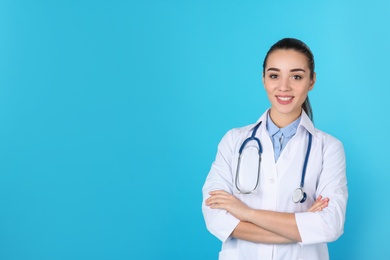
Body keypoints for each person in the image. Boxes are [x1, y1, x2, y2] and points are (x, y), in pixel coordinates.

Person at [202, 38, 348, 260]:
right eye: (274, 75)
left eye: (296, 76)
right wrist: (300, 228)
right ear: (263, 79)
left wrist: (246, 213)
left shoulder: (328, 148)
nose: (284, 87)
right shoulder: (233, 141)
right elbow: (215, 217)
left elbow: (330, 225)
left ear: (312, 81)